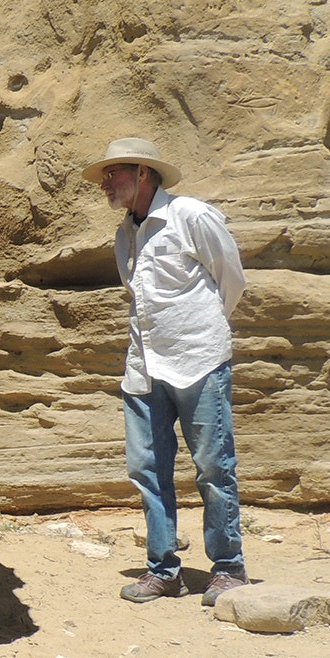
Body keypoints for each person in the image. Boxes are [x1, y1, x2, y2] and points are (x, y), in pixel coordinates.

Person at [80, 138, 250, 606]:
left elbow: (231, 278)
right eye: (105, 173)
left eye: (114, 172)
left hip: (199, 361)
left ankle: (228, 568)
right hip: (144, 368)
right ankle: (162, 570)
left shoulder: (191, 216)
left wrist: (208, 334)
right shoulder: (125, 234)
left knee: (214, 467)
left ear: (144, 174)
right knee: (147, 469)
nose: (105, 182)